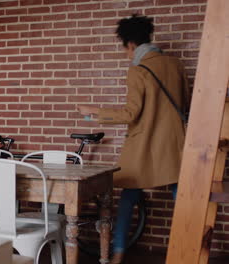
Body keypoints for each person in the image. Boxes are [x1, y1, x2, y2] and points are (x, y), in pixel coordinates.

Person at [78, 14, 191, 263]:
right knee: (182, 197)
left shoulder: (138, 71)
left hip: (144, 145)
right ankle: (189, 249)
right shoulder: (176, 65)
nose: (126, 55)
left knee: (129, 195)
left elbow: (131, 113)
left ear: (130, 45)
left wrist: (94, 111)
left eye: (125, 50)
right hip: (174, 143)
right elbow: (184, 103)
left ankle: (117, 252)